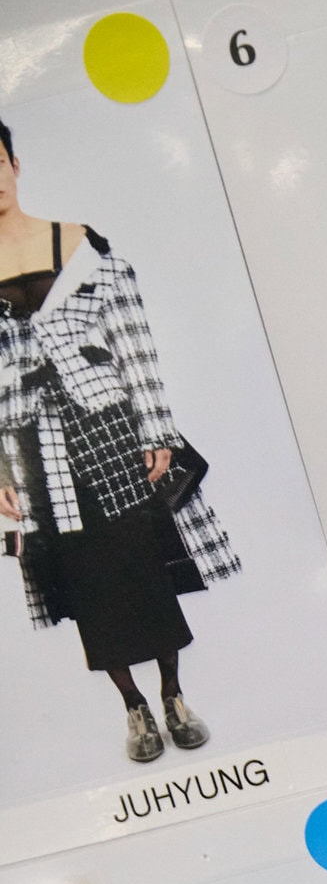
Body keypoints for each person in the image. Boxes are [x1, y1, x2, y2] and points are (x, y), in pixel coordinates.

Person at [0, 117, 236, 763]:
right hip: (33, 449)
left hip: (110, 425)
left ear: (14, 164)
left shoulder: (78, 241)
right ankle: (133, 707)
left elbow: (133, 337)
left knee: (143, 563)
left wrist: (155, 427)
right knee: (85, 582)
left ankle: (173, 695)